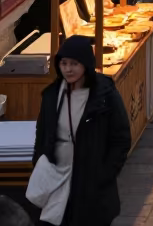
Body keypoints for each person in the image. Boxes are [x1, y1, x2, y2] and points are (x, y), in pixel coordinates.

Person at [30, 34, 130, 226]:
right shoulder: (52, 95)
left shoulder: (104, 95)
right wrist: (40, 161)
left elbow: (121, 138)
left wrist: (106, 173)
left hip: (91, 182)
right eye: (64, 63)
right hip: (56, 178)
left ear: (86, 64)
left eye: (74, 64)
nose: (68, 69)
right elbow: (41, 133)